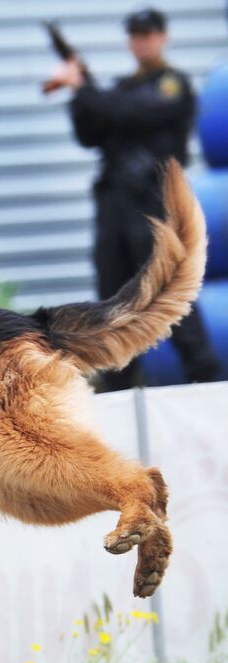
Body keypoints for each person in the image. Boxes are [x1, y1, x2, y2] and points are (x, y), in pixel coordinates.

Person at [46, 6, 224, 390]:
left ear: (162, 37)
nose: (141, 41)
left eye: (148, 34)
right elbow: (90, 132)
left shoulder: (171, 85)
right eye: (135, 35)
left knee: (170, 293)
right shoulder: (121, 88)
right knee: (113, 301)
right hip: (114, 206)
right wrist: (80, 90)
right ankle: (120, 391)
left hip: (153, 206)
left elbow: (126, 113)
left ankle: (208, 383)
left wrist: (85, 87)